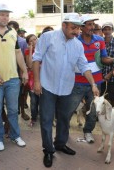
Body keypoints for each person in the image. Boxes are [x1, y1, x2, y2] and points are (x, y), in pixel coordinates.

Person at [32, 13, 99, 168]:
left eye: (78, 29)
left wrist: (93, 84)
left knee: (64, 118)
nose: (76, 32)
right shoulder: (48, 37)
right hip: (47, 86)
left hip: (67, 88)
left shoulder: (78, 45)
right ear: (64, 25)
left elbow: (84, 66)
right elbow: (37, 59)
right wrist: (36, 82)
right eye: (73, 28)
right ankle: (48, 150)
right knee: (47, 120)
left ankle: (60, 144)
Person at [68, 15, 114, 144]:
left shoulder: (99, 40)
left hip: (96, 82)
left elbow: (104, 59)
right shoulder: (74, 40)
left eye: (93, 24)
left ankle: (88, 132)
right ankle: (64, 132)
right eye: (89, 24)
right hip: (77, 82)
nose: (92, 27)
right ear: (81, 27)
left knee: (93, 110)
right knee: (70, 108)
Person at [0, 3, 28, 151]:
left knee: (12, 110)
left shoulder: (12, 33)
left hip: (13, 79)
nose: (5, 18)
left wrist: (24, 71)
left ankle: (15, 135)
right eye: (2, 14)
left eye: (7, 15)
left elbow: (18, 53)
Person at [101, 22, 114, 106]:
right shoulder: (99, 41)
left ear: (112, 30)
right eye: (105, 29)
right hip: (100, 77)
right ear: (102, 31)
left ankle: (113, 118)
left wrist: (110, 74)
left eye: (109, 29)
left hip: (113, 77)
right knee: (100, 99)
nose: (107, 31)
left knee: (113, 99)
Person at [24, 34, 39, 127]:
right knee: (33, 101)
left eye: (35, 39)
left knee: (44, 101)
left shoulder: (43, 49)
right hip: (32, 80)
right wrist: (30, 50)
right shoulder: (27, 51)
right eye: (31, 41)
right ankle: (33, 118)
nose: (34, 42)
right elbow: (29, 65)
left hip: (43, 79)